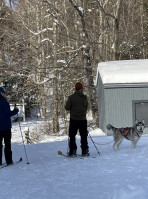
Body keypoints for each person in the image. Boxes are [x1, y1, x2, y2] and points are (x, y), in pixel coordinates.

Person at [65, 82, 89, 156]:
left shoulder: (71, 97)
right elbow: (87, 107)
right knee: (83, 136)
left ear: (75, 88)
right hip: (83, 120)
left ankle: (72, 150)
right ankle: (84, 150)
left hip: (74, 120)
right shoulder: (85, 97)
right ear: (81, 89)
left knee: (72, 135)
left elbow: (67, 108)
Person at [0, 87, 19, 165]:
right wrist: (16, 110)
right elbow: (8, 114)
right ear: (1, 93)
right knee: (7, 144)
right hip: (5, 127)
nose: (5, 94)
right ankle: (9, 161)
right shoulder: (4, 102)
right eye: (4, 93)